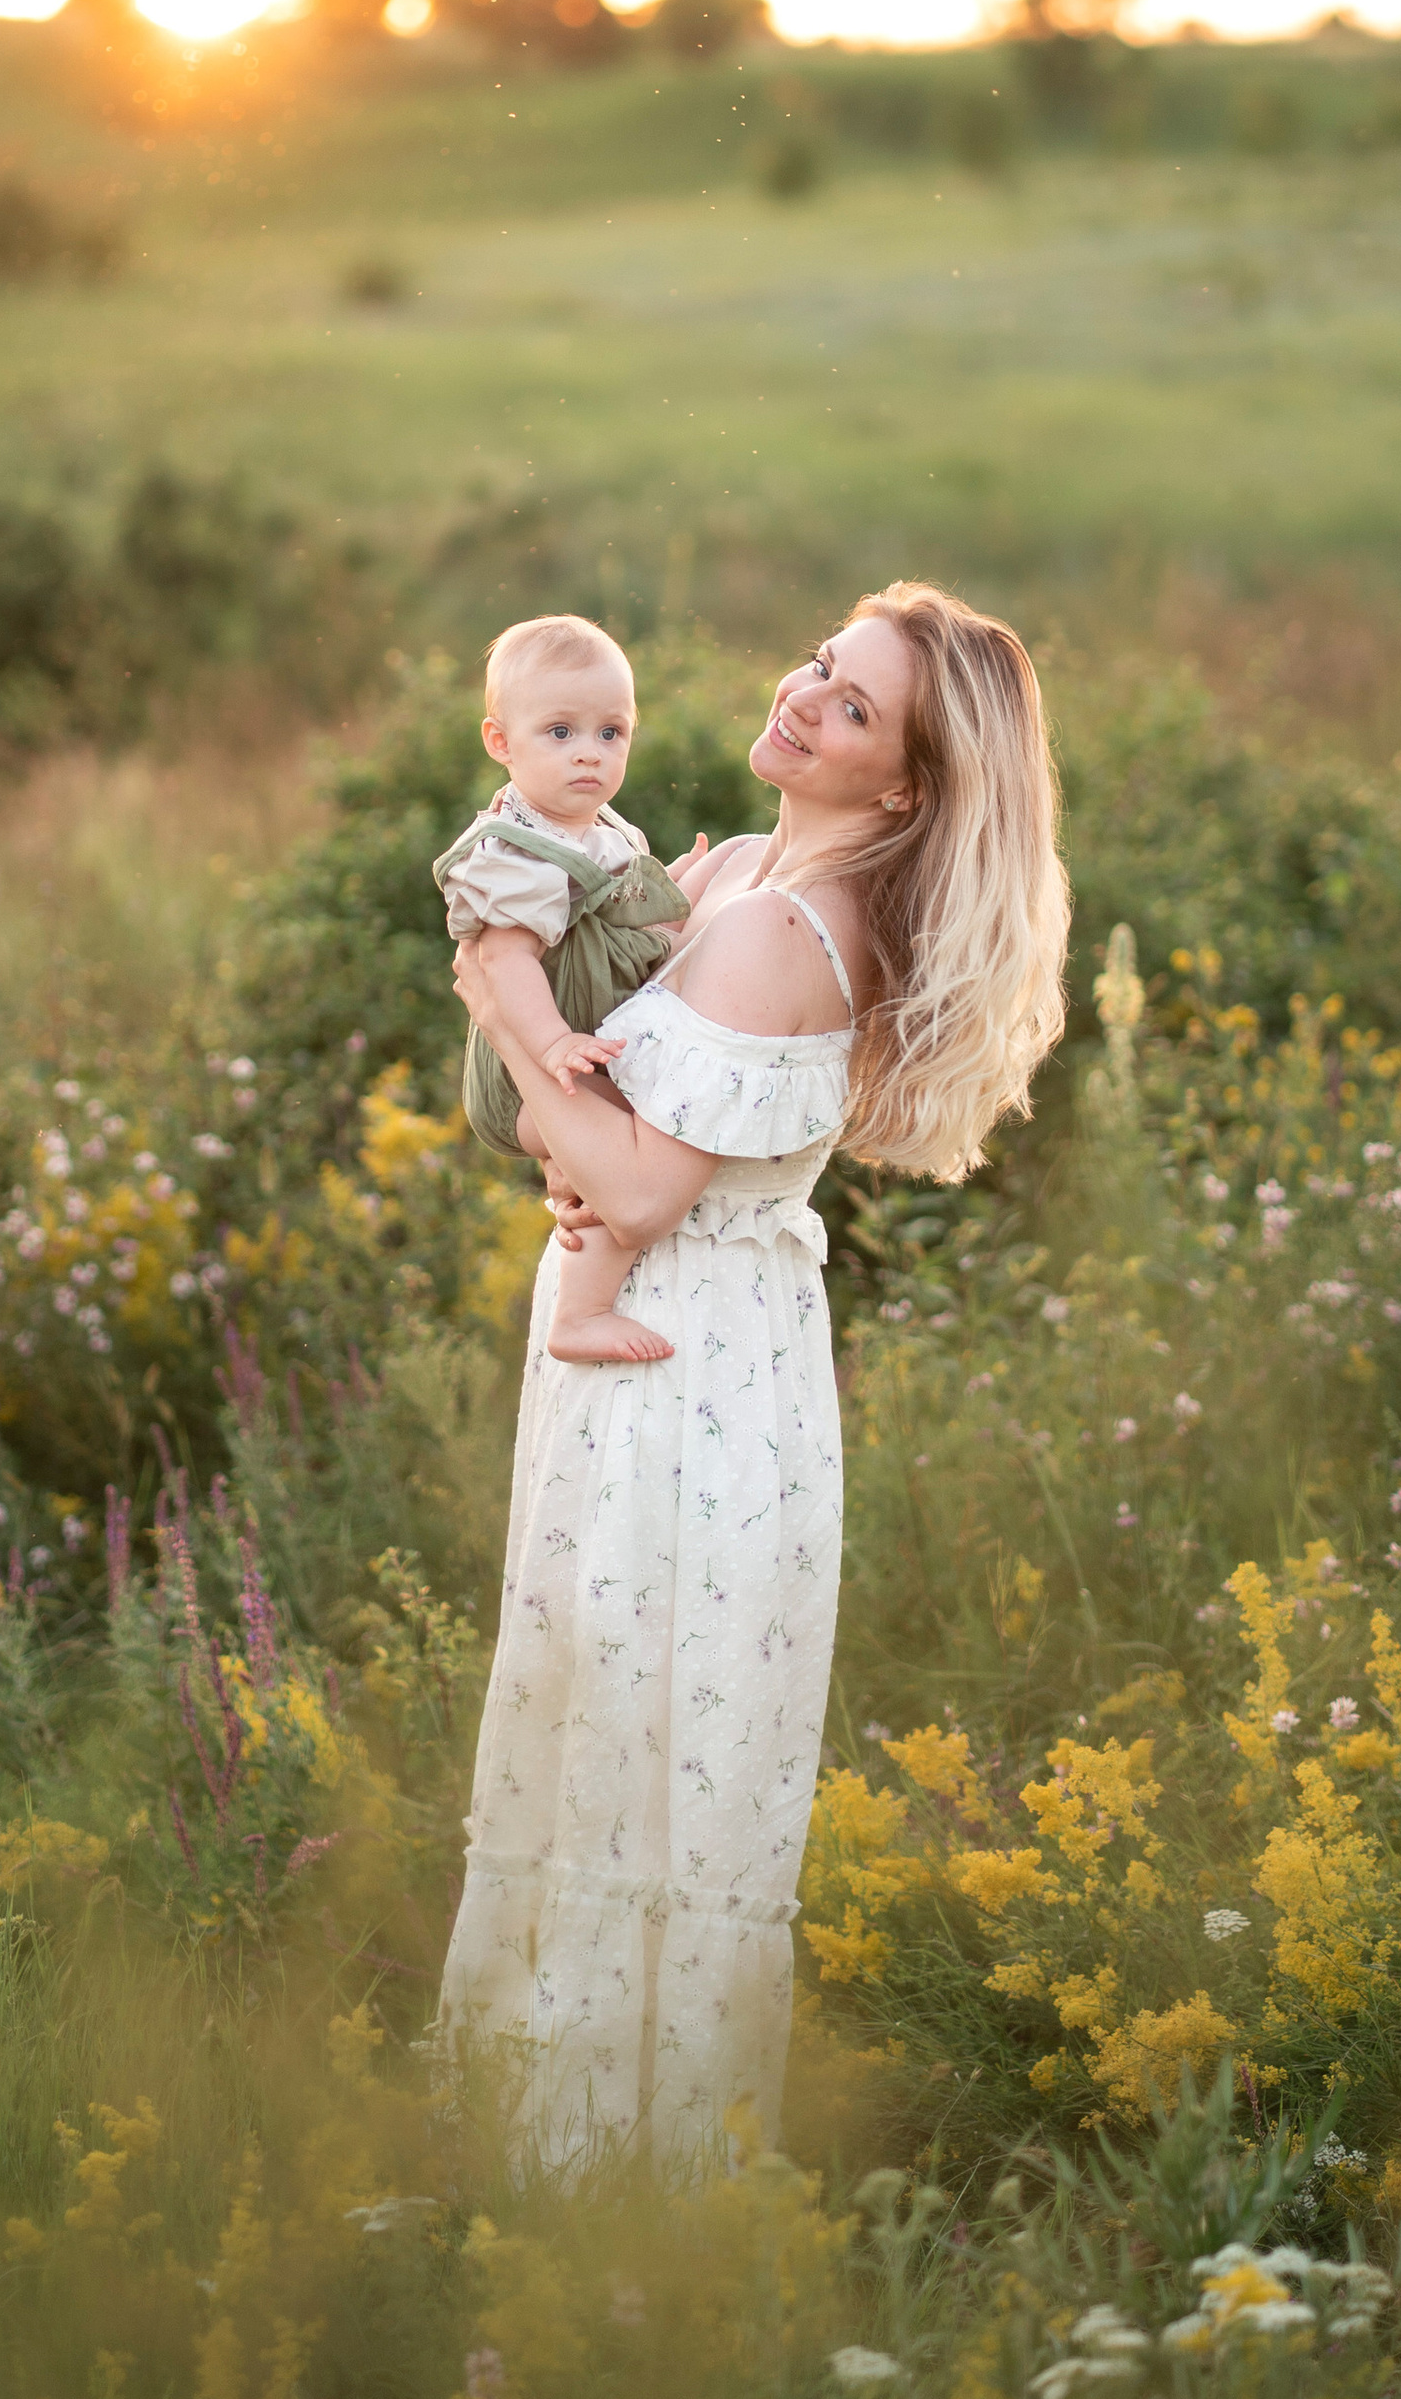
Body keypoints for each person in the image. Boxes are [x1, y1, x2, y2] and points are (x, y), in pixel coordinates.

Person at [434, 581, 1070, 2171]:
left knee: (647, 1752)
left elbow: (642, 1191)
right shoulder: (729, 875)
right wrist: (573, 1122)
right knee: (599, 1727)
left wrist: (500, 1015)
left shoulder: (787, 934)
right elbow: (618, 1139)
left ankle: (616, 2184)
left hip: (688, 1380)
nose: (802, 697)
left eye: (853, 708)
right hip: (656, 1357)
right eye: (820, 664)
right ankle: (533, 2152)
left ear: (906, 786)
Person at [432, 614, 690, 1363]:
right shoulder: (516, 854)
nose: (589, 752)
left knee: (617, 1139)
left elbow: (623, 926)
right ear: (500, 742)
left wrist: (680, 882)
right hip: (526, 1074)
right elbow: (504, 964)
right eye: (560, 732)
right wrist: (552, 1048)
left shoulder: (602, 831)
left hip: (566, 1060)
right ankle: (580, 1313)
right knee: (638, 1140)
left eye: (611, 732)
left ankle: (567, 1169)